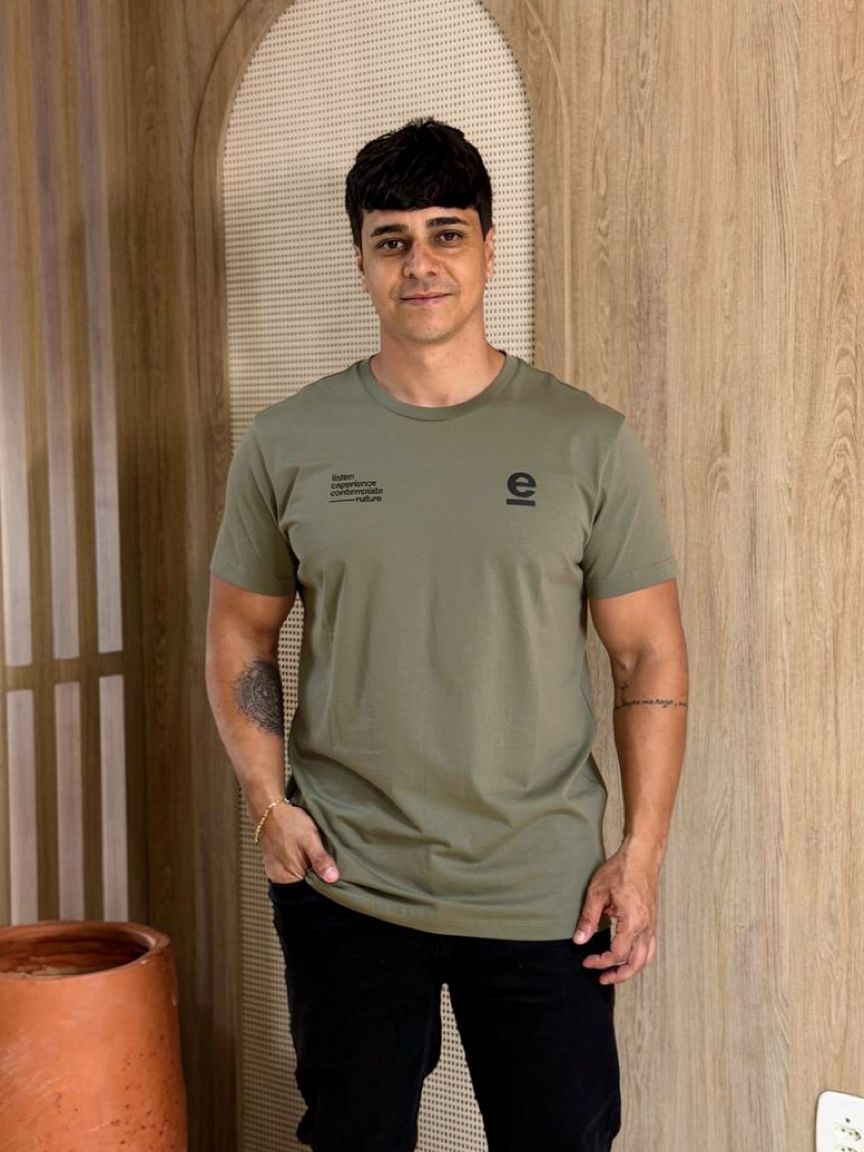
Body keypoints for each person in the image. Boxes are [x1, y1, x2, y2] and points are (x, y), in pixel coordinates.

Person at [206, 118, 688, 1152]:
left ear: (488, 249)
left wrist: (640, 855)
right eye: (391, 240)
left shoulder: (587, 441)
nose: (419, 263)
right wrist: (267, 804)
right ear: (362, 262)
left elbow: (647, 654)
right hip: (349, 881)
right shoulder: (288, 441)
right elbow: (240, 633)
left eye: (446, 234)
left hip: (544, 891)